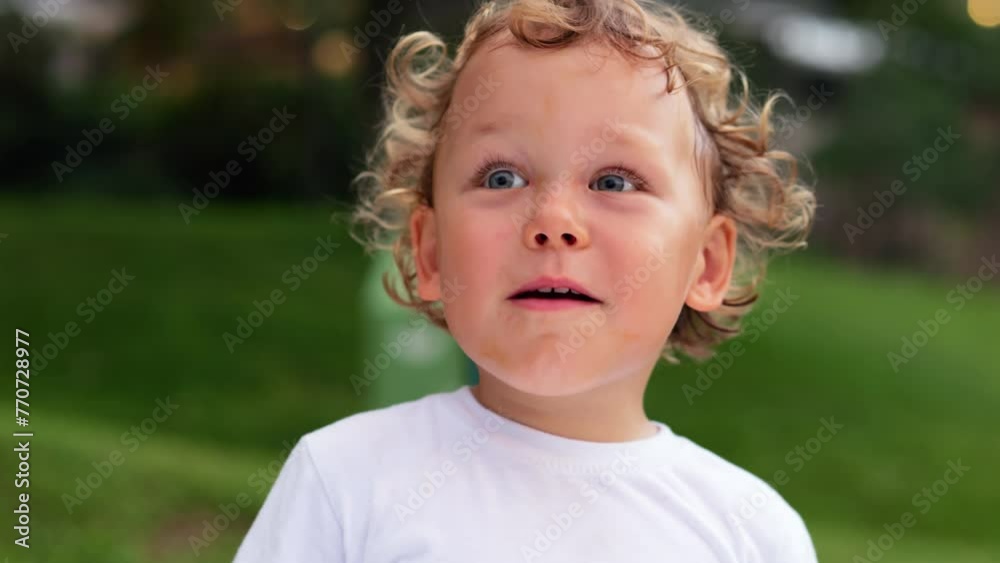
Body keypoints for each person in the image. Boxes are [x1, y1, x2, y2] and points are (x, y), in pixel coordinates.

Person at [233, 0, 817, 561]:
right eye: (502, 177)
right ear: (428, 251)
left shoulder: (751, 534)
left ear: (707, 264)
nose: (552, 222)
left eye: (614, 182)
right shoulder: (345, 480)